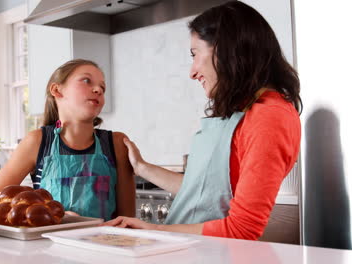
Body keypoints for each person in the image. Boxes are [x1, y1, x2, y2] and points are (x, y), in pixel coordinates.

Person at [103, 1, 302, 240]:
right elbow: (202, 193)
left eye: (195, 54)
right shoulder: (242, 111)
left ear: (226, 49)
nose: (192, 71)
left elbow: (243, 229)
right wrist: (142, 168)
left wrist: (155, 230)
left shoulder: (269, 117)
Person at [0, 59, 136, 221]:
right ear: (57, 90)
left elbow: (126, 218)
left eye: (103, 87)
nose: (98, 89)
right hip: (48, 245)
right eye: (86, 80)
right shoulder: (36, 142)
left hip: (104, 243)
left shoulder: (117, 143)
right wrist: (43, 211)